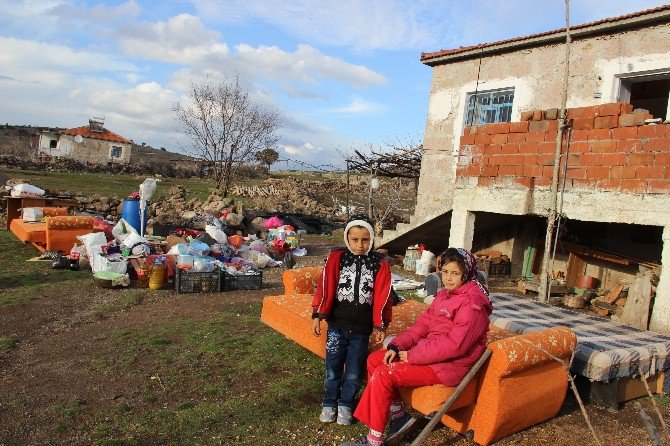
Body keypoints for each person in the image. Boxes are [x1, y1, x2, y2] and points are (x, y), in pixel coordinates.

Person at [340, 247, 492, 446]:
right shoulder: (445, 296)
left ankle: (373, 441)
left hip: (449, 365)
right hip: (433, 356)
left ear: (467, 274)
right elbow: (422, 327)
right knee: (375, 359)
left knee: (385, 374)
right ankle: (398, 416)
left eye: (455, 273)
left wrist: (413, 355)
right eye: (445, 271)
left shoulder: (472, 304)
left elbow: (456, 346)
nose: (448, 278)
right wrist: (396, 346)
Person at [312, 214, 393, 426]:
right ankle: (329, 402)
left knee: (355, 372)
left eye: (365, 240)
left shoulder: (379, 264)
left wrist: (381, 324)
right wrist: (318, 314)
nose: (359, 245)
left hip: (361, 330)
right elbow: (324, 286)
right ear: (348, 238)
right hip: (337, 326)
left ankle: (346, 403)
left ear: (372, 239)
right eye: (355, 239)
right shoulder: (337, 259)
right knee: (332, 368)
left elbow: (384, 296)